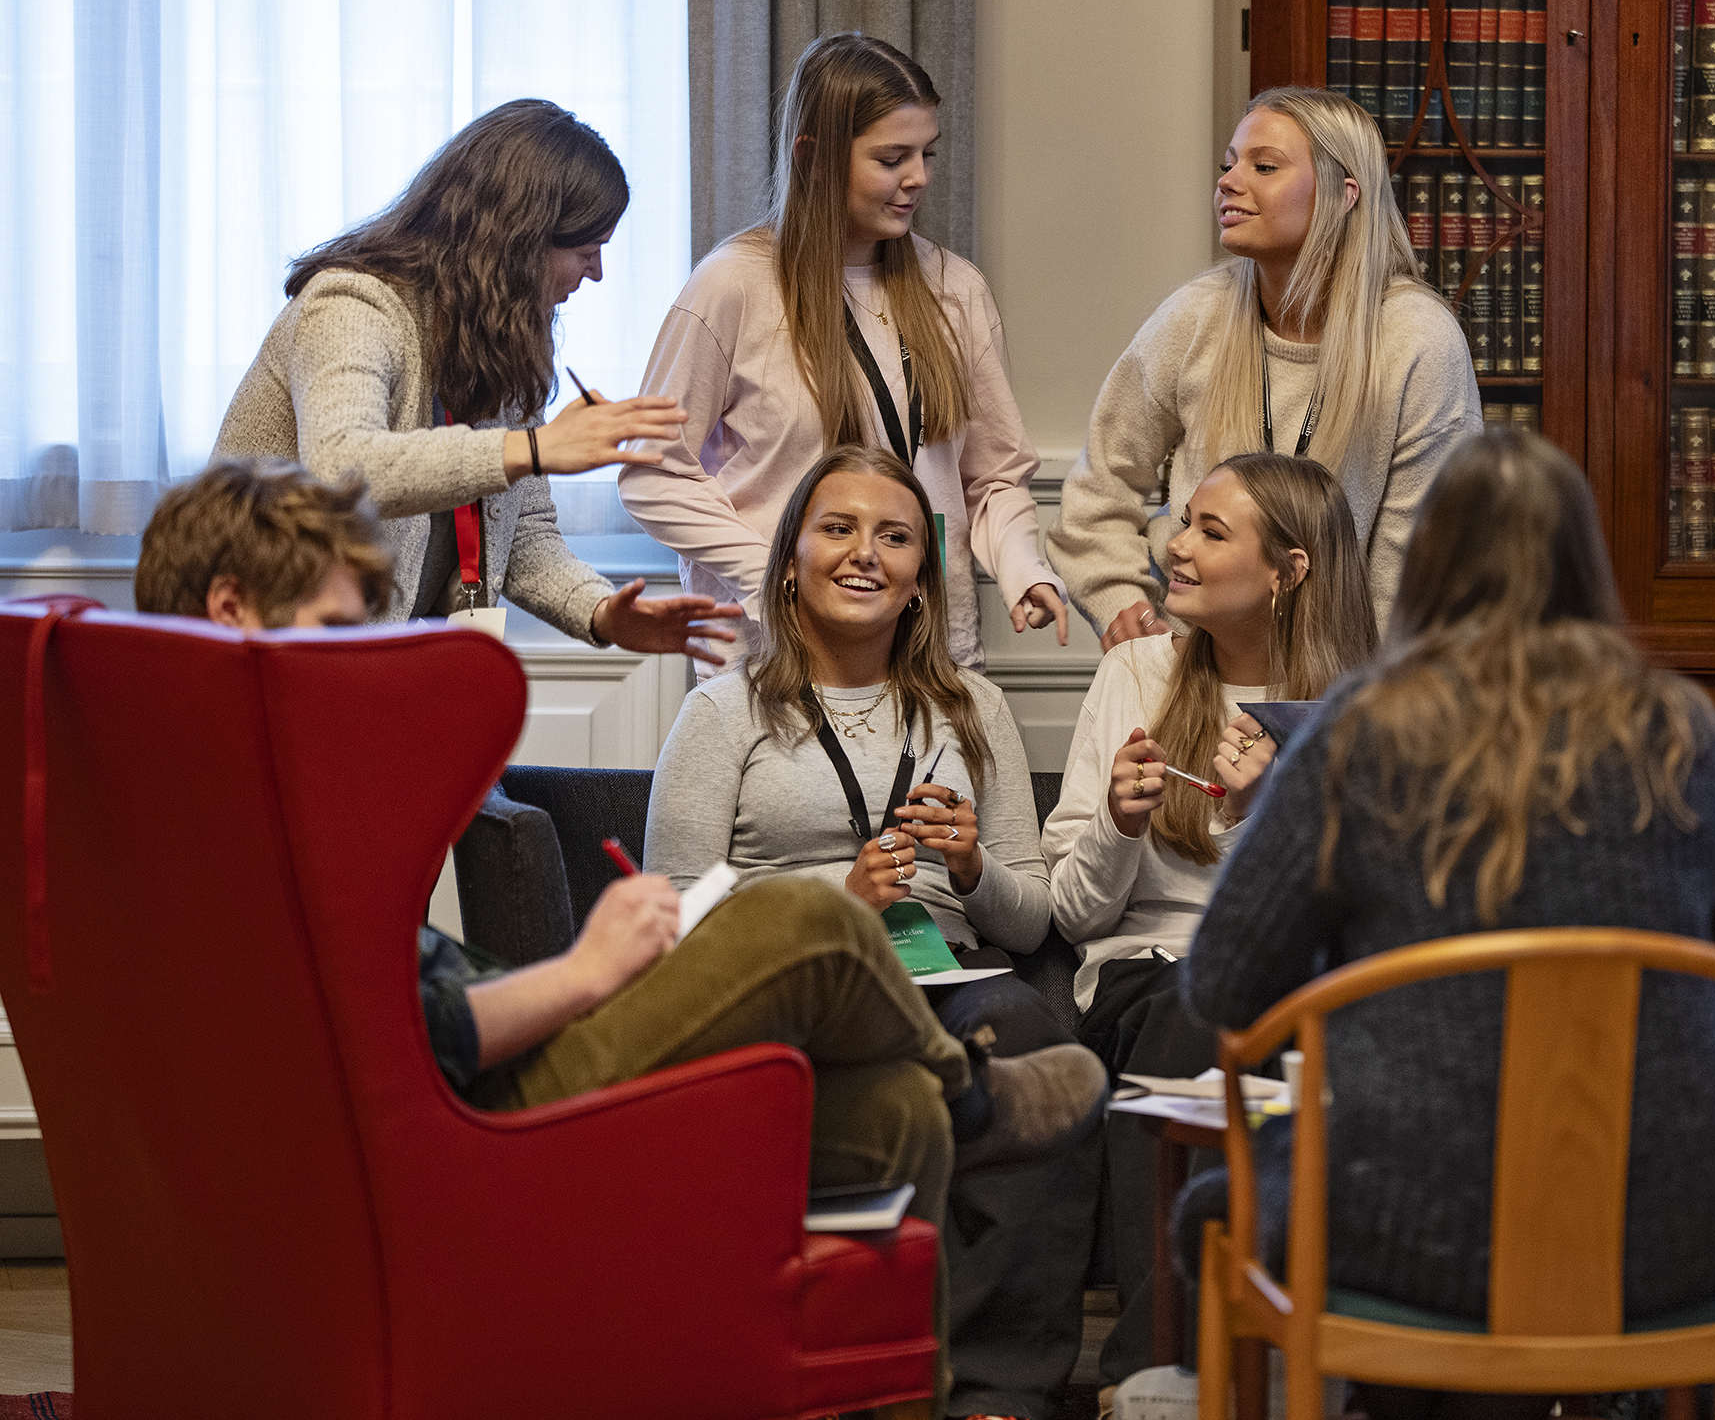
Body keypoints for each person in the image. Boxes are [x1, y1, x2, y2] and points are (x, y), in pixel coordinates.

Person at [133, 455, 1108, 1410]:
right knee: (806, 916)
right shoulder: (233, 801)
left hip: (474, 1086)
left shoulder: (203, 772)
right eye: (336, 629)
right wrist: (588, 972)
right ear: (233, 610)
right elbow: (423, 1033)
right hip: (482, 1118)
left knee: (895, 1107)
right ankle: (968, 1093)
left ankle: (948, 1348)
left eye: (896, 537)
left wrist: (971, 869)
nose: (356, 659)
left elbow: (387, 1009)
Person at [1180, 429, 1715, 1420]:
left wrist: (1378, 1000)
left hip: (1412, 1217)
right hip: (1681, 1220)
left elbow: (1224, 987)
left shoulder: (1359, 732)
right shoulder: (1674, 728)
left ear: (1424, 567)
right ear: (1587, 565)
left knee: (1215, 1215)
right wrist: (1624, 1046)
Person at [642, 443, 1098, 1420]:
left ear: (921, 581)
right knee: (949, 1063)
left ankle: (996, 1394)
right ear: (791, 560)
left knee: (1031, 1034)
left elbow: (1031, 920)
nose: (865, 554)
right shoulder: (723, 713)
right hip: (793, 983)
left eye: (894, 537)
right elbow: (674, 916)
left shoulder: (974, 708)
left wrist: (971, 868)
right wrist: (834, 906)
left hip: (952, 976)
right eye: (837, 528)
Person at [1041, 451, 1376, 1387]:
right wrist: (1118, 824)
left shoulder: (1365, 704)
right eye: (1182, 520)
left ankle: (1349, 1373)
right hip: (1156, 971)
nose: (1174, 546)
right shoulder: (1133, 673)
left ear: (1290, 571)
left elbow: (1378, 917)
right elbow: (1071, 911)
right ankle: (1161, 1378)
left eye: (1209, 531)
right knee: (1204, 1005)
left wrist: (1268, 819)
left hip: (1312, 983)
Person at [213, 99, 739, 661]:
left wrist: (605, 614)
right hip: (267, 655)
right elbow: (342, 468)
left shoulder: (499, 342)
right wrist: (533, 447)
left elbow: (525, 538)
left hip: (393, 662)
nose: (596, 273)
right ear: (520, 240)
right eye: (587, 251)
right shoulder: (351, 305)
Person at [620, 32, 1063, 670]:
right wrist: (769, 574)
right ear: (813, 155)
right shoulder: (731, 285)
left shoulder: (955, 288)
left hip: (924, 650)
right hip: (776, 659)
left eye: (927, 154)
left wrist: (1024, 568)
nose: (918, 178)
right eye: (891, 158)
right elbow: (654, 471)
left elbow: (993, 475)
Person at [1048, 86, 1480, 648]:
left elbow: (1417, 571)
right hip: (1192, 671)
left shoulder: (1417, 341)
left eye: (1265, 166)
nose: (1228, 181)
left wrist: (1339, 709)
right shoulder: (1195, 316)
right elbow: (1098, 492)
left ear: (1342, 194)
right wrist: (1120, 604)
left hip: (1343, 692)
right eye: (1228, 165)